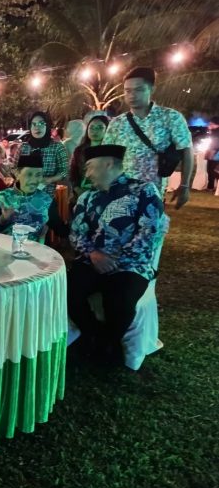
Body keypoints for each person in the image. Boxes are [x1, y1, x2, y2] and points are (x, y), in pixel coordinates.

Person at [68, 144, 165, 364]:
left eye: (90, 167)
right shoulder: (87, 197)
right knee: (68, 292)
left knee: (120, 300)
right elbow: (75, 233)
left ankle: (106, 344)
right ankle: (95, 335)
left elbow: (149, 232)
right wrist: (93, 254)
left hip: (131, 265)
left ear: (108, 164)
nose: (87, 174)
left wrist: (115, 261)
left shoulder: (144, 191)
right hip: (91, 261)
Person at [103, 67, 193, 209]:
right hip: (120, 193)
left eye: (139, 90)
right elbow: (106, 157)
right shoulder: (117, 123)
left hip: (154, 194)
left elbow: (186, 150)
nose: (132, 95)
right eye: (127, 91)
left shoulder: (170, 117)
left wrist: (185, 185)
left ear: (152, 89)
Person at [0, 153, 67, 241]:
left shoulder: (46, 200)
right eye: (29, 174)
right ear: (17, 174)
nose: (34, 180)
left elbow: (60, 229)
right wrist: (2, 219)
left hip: (35, 248)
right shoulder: (2, 197)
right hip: (5, 247)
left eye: (38, 175)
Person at [14, 111, 68, 197]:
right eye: (34, 124)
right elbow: (14, 168)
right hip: (23, 196)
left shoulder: (57, 147)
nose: (37, 127)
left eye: (41, 123)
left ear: (47, 126)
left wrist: (49, 179)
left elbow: (64, 172)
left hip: (46, 196)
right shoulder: (23, 147)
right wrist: (21, 177)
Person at [70, 115, 109, 201]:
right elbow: (73, 173)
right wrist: (78, 190)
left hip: (104, 196)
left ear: (107, 129)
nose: (95, 131)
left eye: (100, 127)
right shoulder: (79, 150)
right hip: (81, 194)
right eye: (91, 127)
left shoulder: (111, 152)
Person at [205, 117, 219, 191]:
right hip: (212, 152)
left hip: (215, 153)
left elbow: (215, 142)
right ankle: (211, 186)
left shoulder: (216, 132)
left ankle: (212, 187)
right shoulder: (213, 132)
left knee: (213, 170)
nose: (209, 125)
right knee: (210, 170)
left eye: (211, 123)